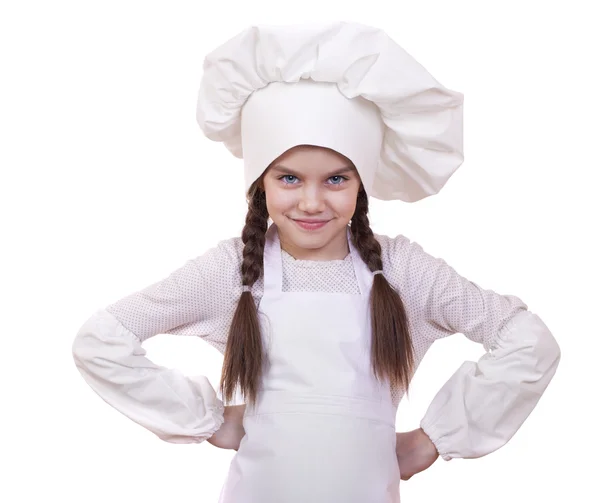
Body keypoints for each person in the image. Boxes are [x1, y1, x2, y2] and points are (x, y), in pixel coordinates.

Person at [72, 21, 561, 503]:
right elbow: (101, 342)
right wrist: (208, 419)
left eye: (335, 179)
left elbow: (526, 341)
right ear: (260, 181)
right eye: (289, 179)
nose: (311, 203)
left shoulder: (404, 271)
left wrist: (434, 437)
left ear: (362, 182)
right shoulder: (230, 272)